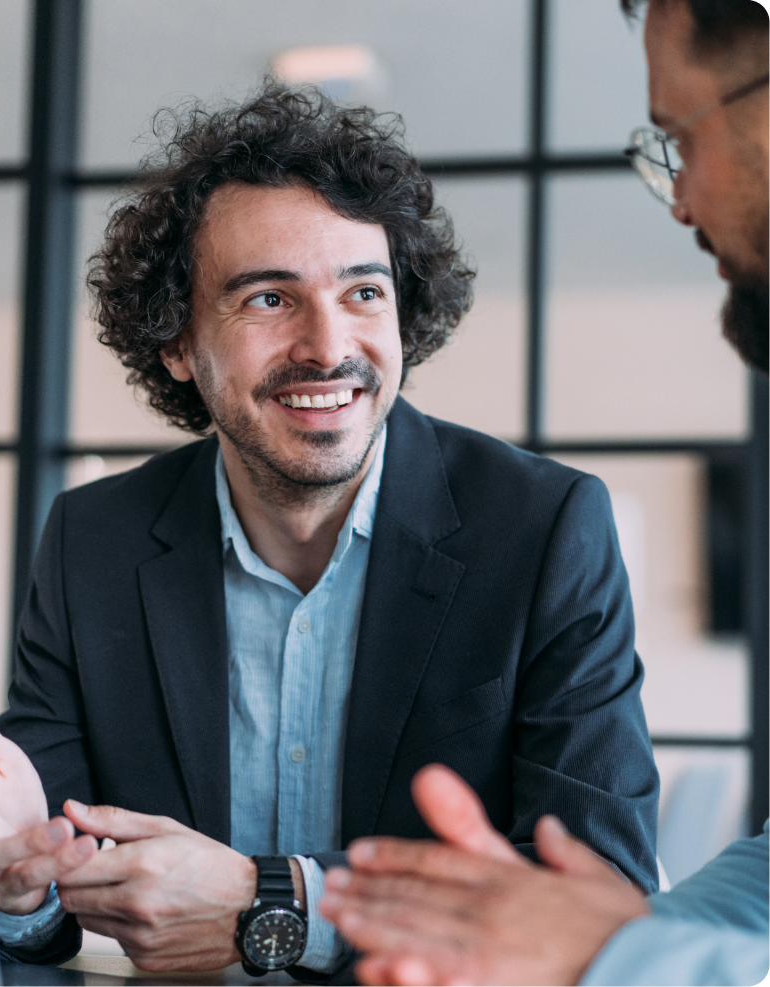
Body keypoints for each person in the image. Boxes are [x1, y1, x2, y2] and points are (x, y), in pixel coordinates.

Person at [0, 84, 660, 980]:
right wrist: (19, 875)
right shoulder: (91, 537)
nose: (328, 346)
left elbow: (598, 887)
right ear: (176, 341)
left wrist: (275, 901)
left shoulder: (544, 527)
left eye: (363, 292)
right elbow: (54, 886)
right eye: (266, 300)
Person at [319, 2, 770, 986]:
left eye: (681, 137)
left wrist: (617, 954)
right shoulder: (98, 535)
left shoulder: (547, 521)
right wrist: (556, 934)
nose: (681, 199)